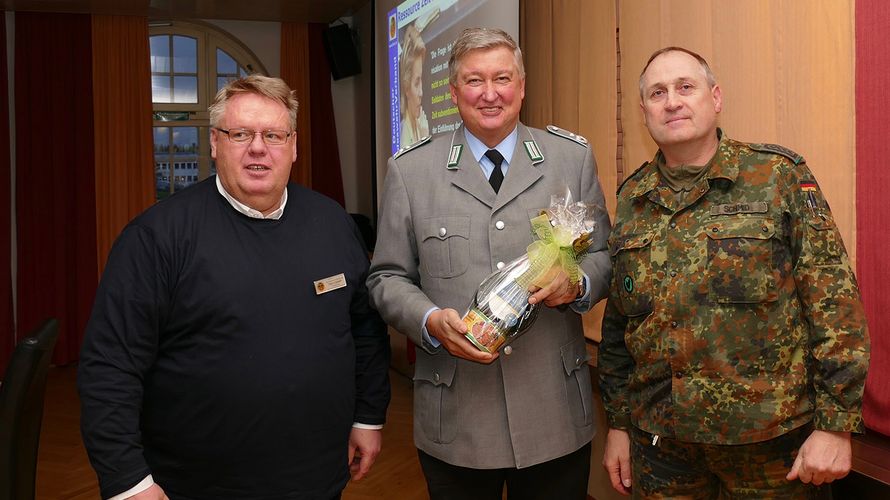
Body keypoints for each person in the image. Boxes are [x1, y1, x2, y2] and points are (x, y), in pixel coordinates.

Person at [78, 75, 391, 500]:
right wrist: (129, 481)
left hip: (316, 477)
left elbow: (365, 331)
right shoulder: (156, 237)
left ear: (294, 145)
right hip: (194, 485)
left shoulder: (333, 223)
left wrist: (368, 417)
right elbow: (109, 366)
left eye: (274, 135)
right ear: (214, 143)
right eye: (240, 133)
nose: (258, 147)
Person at [598, 47, 870, 498]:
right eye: (657, 93)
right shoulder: (633, 197)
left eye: (686, 87)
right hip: (662, 446)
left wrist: (836, 426)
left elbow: (834, 304)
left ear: (715, 97)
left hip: (769, 444)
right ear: (643, 112)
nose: (672, 101)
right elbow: (620, 326)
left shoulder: (777, 175)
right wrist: (619, 424)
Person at [367, 27, 612, 499]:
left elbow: (603, 256)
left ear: (521, 87)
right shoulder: (412, 170)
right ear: (454, 91)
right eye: (474, 81)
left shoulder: (570, 158)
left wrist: (577, 284)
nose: (490, 93)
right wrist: (430, 320)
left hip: (553, 413)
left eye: (502, 78)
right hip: (458, 419)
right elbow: (387, 277)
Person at [399, 22, 430, 148]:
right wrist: (424, 140)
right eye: (416, 83)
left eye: (421, 81)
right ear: (406, 88)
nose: (421, 93)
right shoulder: (403, 136)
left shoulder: (418, 125)